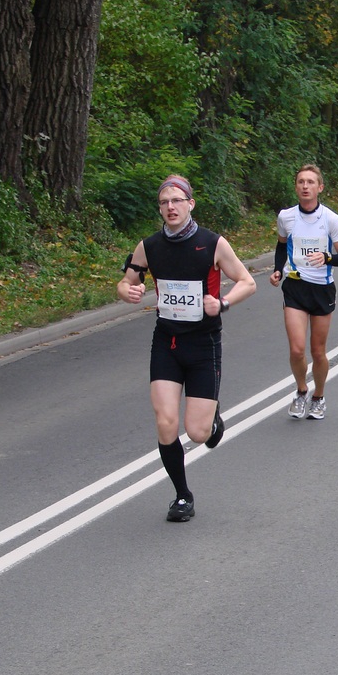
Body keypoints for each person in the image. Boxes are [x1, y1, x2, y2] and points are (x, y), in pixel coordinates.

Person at [118, 174, 257, 522]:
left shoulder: (212, 243)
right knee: (166, 422)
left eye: (177, 201)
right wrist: (127, 291)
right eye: (164, 202)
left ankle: (211, 419)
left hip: (203, 343)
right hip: (166, 341)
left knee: (197, 433)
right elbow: (126, 281)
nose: (170, 207)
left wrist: (222, 303)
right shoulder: (148, 247)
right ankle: (182, 496)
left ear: (190, 204)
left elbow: (248, 282)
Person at [270, 164, 338, 420]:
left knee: (317, 351)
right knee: (297, 350)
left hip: (322, 289)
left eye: (310, 182)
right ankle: (302, 390)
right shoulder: (286, 217)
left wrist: (327, 257)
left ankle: (319, 396)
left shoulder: (330, 219)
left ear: (320, 187)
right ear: (296, 186)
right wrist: (276, 269)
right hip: (295, 286)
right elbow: (281, 245)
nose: (305, 186)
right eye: (301, 182)